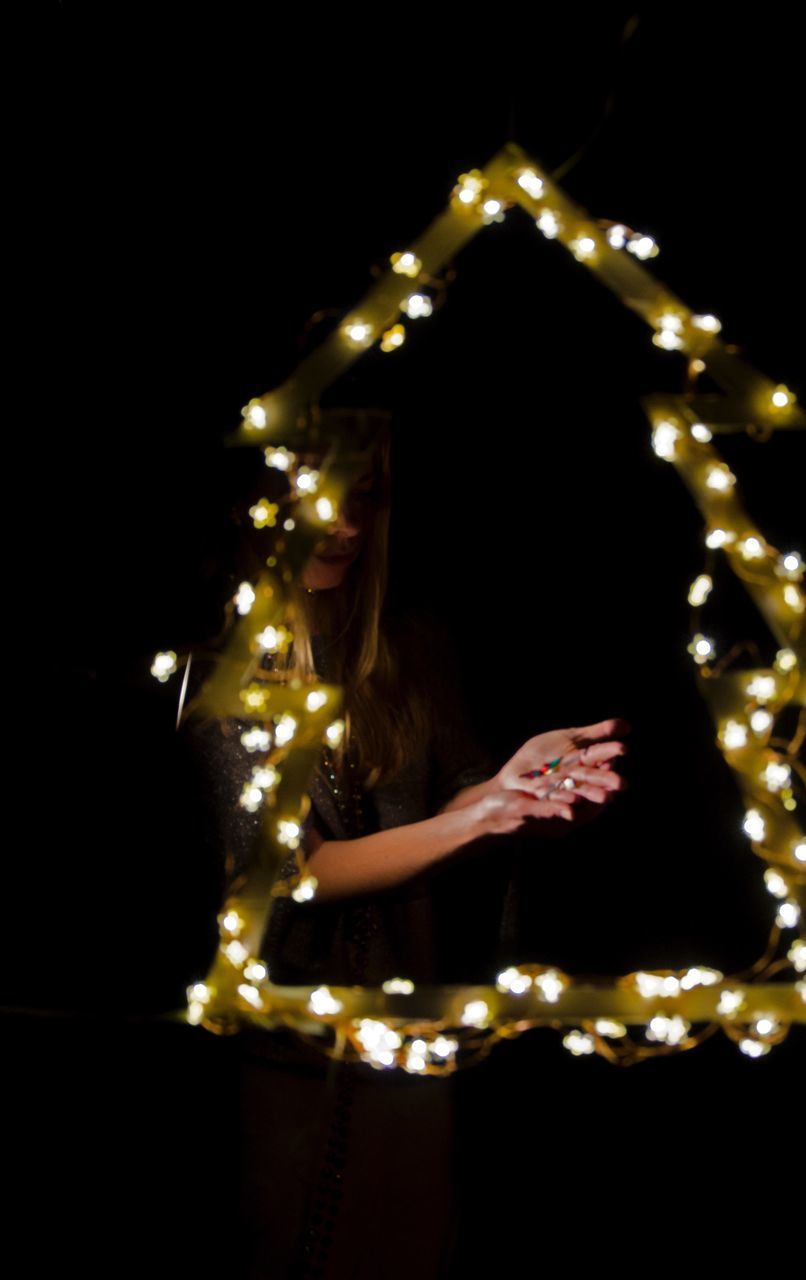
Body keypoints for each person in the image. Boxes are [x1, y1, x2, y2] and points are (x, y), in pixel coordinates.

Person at [179, 415, 630, 1277]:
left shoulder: (407, 648)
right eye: (322, 494)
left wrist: (523, 791)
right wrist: (483, 812)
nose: (348, 524)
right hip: (280, 1055)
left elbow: (459, 795)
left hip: (411, 1042)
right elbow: (291, 872)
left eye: (367, 494)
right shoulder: (220, 665)